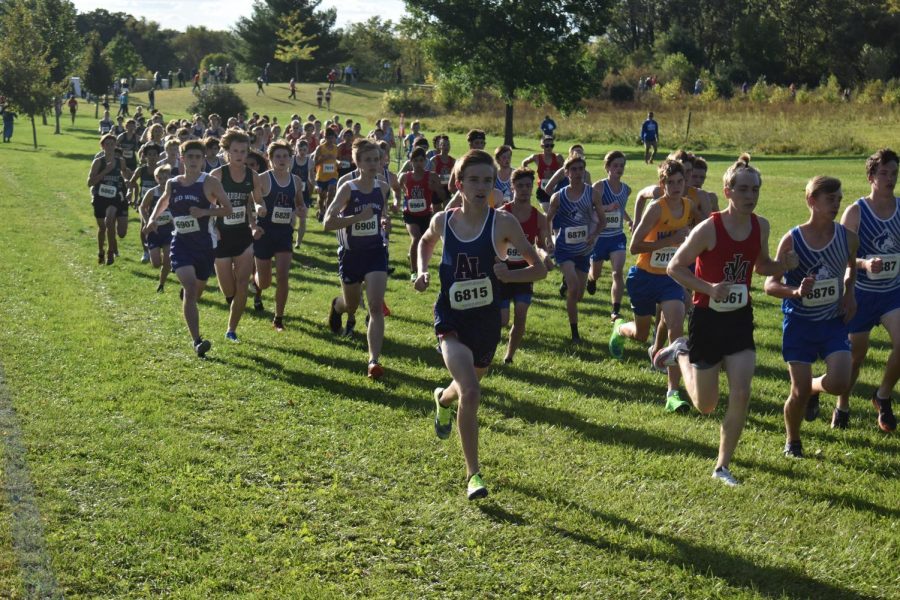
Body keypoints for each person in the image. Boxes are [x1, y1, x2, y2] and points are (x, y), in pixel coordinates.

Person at [654, 154, 797, 485]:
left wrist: (783, 265)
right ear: (728, 191)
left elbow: (761, 265)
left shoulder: (760, 225)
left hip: (740, 319)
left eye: (756, 190)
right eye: (744, 189)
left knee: (742, 393)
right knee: (706, 405)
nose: (751, 196)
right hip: (707, 319)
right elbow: (675, 267)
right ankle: (681, 351)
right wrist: (708, 288)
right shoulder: (709, 228)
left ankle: (722, 466)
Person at [414, 150, 547, 500]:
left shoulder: (503, 223)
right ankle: (474, 475)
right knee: (471, 391)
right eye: (473, 180)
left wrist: (512, 272)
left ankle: (441, 400)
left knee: (464, 387)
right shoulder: (445, 220)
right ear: (459, 183)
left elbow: (540, 268)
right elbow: (425, 242)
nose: (481, 186)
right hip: (451, 319)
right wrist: (421, 270)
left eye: (487, 181)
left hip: (486, 322)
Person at [764, 176, 858, 458]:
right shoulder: (793, 239)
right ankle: (793, 440)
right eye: (830, 199)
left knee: (841, 381)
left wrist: (849, 293)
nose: (836, 204)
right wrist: (795, 291)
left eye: (839, 199)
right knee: (798, 391)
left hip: (831, 322)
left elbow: (851, 270)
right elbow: (770, 284)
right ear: (811, 201)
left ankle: (816, 388)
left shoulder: (848, 238)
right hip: (799, 323)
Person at [609, 160, 692, 412]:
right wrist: (671, 241)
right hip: (644, 276)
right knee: (641, 333)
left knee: (677, 328)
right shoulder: (657, 208)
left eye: (680, 182)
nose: (676, 187)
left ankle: (673, 394)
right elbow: (634, 247)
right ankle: (620, 328)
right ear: (662, 184)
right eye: (670, 183)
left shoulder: (688, 206)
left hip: (670, 277)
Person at [144, 140, 233, 357]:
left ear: (203, 160)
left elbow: (228, 210)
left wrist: (205, 213)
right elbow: (164, 201)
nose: (194, 161)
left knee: (195, 291)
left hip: (204, 245)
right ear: (182, 159)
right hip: (181, 243)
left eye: (198, 157)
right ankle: (197, 341)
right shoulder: (173, 183)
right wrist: (153, 219)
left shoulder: (211, 183)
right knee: (192, 289)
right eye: (190, 157)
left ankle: (189, 294)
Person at [835, 148, 899, 432]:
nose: (890, 178)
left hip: (891, 292)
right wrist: (863, 263)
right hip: (859, 292)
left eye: (894, 173)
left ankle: (882, 396)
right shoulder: (856, 211)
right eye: (884, 173)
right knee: (856, 356)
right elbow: (840, 253)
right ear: (871, 176)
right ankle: (842, 404)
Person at [324, 139, 392, 378]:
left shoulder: (383, 187)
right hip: (351, 254)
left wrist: (385, 222)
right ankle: (337, 306)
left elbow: (381, 215)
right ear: (357, 162)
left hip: (375, 252)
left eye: (376, 159)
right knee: (351, 305)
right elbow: (327, 223)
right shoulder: (348, 188)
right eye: (368, 160)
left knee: (375, 306)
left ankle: (373, 360)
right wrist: (355, 218)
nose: (373, 164)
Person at [210, 129, 264, 342]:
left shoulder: (253, 176)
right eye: (235, 151)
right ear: (227, 152)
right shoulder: (217, 176)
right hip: (221, 237)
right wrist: (213, 227)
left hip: (243, 236)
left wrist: (260, 208)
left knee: (242, 284)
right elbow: (208, 206)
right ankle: (234, 303)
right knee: (230, 291)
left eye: (243, 151)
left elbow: (258, 199)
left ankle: (231, 329)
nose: (240, 155)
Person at [544, 155, 605, 342]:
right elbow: (547, 220)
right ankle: (575, 333)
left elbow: (602, 221)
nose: (578, 173)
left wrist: (593, 236)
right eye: (574, 169)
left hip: (584, 251)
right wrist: (550, 239)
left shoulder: (592, 194)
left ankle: (568, 283)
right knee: (573, 287)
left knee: (578, 295)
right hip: (564, 250)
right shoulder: (558, 196)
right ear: (566, 173)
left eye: (581, 169)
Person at [499, 168, 553, 363]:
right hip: (503, 271)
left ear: (532, 188)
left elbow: (541, 245)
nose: (524, 190)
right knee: (503, 320)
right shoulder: (502, 214)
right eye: (520, 186)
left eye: (528, 186)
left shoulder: (539, 217)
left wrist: (545, 257)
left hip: (525, 272)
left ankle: (509, 356)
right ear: (512, 187)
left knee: (520, 315)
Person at [251, 141, 305, 328]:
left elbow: (299, 202)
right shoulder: (262, 179)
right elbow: (253, 202)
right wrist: (259, 208)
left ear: (290, 158)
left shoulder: (296, 181)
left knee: (283, 276)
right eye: (278, 156)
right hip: (264, 232)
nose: (282, 160)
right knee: (265, 283)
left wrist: (301, 209)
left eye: (285, 156)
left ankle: (278, 318)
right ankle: (255, 281)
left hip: (283, 233)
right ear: (270, 159)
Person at [586, 151, 634, 321]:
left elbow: (620, 209)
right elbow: (588, 209)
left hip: (616, 237)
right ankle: (591, 279)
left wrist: (630, 220)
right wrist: (606, 208)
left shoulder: (626, 190)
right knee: (596, 274)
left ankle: (615, 310)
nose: (619, 168)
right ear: (607, 167)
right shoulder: (599, 187)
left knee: (617, 272)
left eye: (621, 165)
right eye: (615, 165)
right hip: (600, 237)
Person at [397, 147, 445, 279]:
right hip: (410, 215)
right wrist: (397, 202)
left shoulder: (432, 176)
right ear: (411, 161)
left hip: (426, 215)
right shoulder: (405, 177)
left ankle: (418, 263)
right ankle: (414, 272)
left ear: (425, 161)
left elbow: (442, 195)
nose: (418, 163)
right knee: (416, 237)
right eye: (415, 160)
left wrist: (435, 188)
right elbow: (397, 190)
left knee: (424, 243)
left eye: (421, 160)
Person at [88, 134, 130, 264]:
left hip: (114, 197)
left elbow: (125, 172)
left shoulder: (120, 161)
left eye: (113, 144)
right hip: (100, 198)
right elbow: (90, 182)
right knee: (102, 228)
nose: (110, 147)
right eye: (107, 144)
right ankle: (101, 251)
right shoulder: (98, 162)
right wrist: (106, 170)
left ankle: (111, 252)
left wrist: (130, 180)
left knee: (110, 220)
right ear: (102, 146)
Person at [139, 164, 174, 291]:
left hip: (168, 229)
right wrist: (148, 221)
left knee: (167, 260)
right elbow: (142, 207)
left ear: (170, 177)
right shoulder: (152, 192)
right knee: (156, 263)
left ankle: (161, 284)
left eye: (166, 177)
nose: (163, 181)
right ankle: (151, 252)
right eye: (160, 178)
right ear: (156, 179)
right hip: (154, 230)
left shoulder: (173, 192)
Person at [522, 136, 564, 212]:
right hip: (542, 190)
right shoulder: (536, 157)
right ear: (542, 146)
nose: (549, 148)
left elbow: (565, 173)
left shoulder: (558, 157)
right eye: (546, 146)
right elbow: (524, 162)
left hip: (556, 189)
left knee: (556, 212)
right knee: (549, 211)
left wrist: (553, 174)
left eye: (551, 145)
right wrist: (528, 173)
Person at [290, 139, 313, 248]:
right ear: (296, 149)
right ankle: (288, 240)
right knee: (292, 220)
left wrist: (314, 186)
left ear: (307, 150)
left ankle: (298, 243)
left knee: (302, 220)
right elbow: (287, 175)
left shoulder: (310, 162)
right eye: (300, 149)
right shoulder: (291, 160)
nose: (302, 152)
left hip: (304, 193)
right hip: (292, 193)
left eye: (304, 150)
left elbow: (311, 178)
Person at [313, 127, 339, 221]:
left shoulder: (336, 148)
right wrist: (324, 158)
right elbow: (314, 163)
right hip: (321, 176)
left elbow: (335, 160)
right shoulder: (320, 148)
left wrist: (338, 163)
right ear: (325, 137)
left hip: (332, 175)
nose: (331, 140)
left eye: (332, 137)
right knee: (322, 197)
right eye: (328, 137)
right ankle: (321, 211)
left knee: (331, 191)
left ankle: (328, 212)